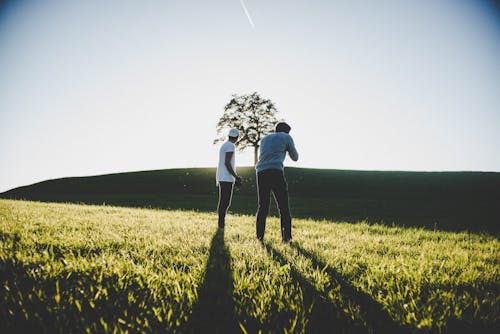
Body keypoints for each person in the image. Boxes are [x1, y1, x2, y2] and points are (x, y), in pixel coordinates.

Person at [255, 122, 299, 242]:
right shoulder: (286, 137)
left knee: (263, 206)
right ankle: (287, 238)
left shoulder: (264, 139)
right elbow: (295, 157)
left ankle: (259, 237)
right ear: (286, 131)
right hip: (275, 171)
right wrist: (288, 148)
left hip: (261, 172)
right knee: (283, 206)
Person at [216, 128, 242, 229]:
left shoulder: (224, 145)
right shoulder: (231, 146)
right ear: (236, 137)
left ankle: (221, 223)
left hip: (222, 176)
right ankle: (221, 224)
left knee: (223, 201)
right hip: (226, 177)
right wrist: (236, 176)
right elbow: (227, 162)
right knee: (225, 202)